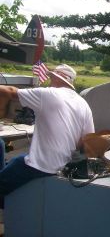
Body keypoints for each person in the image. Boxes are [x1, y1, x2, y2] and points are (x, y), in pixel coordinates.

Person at [0, 64, 94, 207]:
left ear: (59, 78)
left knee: (15, 164)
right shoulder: (83, 103)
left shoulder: (49, 94)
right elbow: (86, 141)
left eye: (52, 77)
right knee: (15, 159)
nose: (50, 80)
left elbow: (10, 91)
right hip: (65, 166)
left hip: (42, 166)